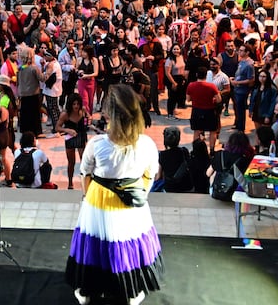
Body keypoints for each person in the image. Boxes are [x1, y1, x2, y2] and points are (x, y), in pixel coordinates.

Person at [66, 84, 163, 305]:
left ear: (109, 115)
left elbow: (85, 173)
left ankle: (87, 291)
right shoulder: (147, 145)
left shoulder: (97, 145)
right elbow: (151, 175)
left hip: (97, 201)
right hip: (132, 201)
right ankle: (131, 292)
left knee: (94, 244)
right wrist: (141, 196)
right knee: (128, 243)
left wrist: (87, 198)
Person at [56, 93, 90, 190]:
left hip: (81, 136)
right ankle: (70, 183)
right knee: (71, 162)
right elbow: (57, 127)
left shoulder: (82, 110)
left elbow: (88, 116)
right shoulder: (65, 114)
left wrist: (89, 119)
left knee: (84, 161)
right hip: (70, 138)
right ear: (70, 104)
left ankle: (85, 183)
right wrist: (67, 130)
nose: (76, 106)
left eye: (78, 104)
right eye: (74, 104)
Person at [186, 67, 222, 151]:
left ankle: (196, 150)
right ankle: (212, 150)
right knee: (212, 131)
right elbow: (219, 99)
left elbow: (188, 99)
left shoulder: (191, 85)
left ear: (196, 75)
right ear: (206, 75)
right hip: (210, 111)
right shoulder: (211, 86)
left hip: (196, 111)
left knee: (197, 131)